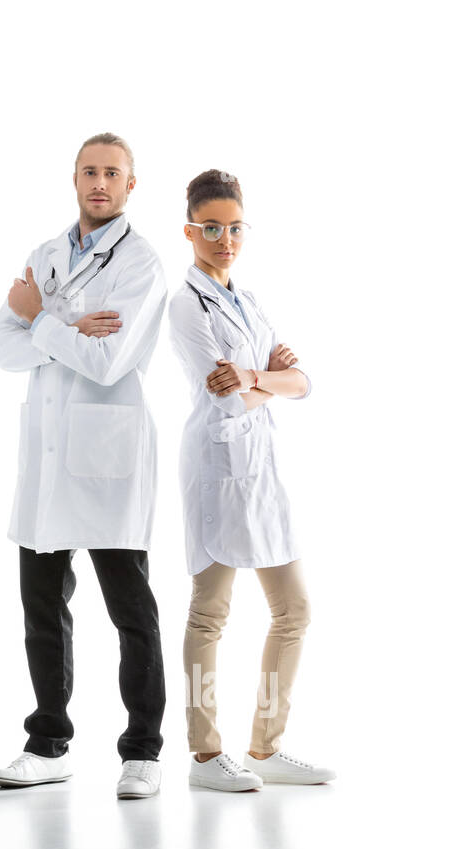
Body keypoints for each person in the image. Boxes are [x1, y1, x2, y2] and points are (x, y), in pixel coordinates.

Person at [0, 133, 169, 799]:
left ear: (130, 185)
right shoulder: (46, 254)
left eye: (112, 174)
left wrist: (42, 320)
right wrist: (63, 324)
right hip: (48, 455)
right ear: (74, 178)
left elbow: (108, 360)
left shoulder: (142, 263)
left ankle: (143, 750)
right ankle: (49, 742)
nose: (100, 183)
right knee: (41, 605)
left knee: (131, 609)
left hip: (107, 453)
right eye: (90, 171)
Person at [167, 169, 335, 790]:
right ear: (190, 230)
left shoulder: (246, 298)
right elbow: (228, 399)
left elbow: (302, 383)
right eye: (212, 228)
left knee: (293, 610)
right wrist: (267, 381)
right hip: (217, 466)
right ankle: (206, 756)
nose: (224, 239)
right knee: (209, 613)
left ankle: (265, 746)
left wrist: (256, 378)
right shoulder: (186, 305)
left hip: (262, 471)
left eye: (235, 228)